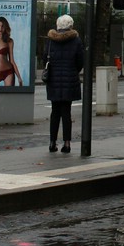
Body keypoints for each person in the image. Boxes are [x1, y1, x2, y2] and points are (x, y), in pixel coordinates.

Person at [44, 14, 84, 153]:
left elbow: (45, 59)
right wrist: (73, 70)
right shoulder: (76, 40)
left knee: (55, 112)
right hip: (70, 80)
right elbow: (80, 61)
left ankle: (52, 142)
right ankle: (66, 144)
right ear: (70, 26)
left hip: (54, 79)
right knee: (66, 112)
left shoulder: (50, 40)